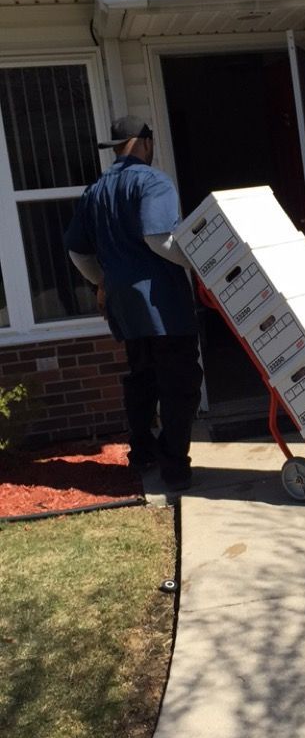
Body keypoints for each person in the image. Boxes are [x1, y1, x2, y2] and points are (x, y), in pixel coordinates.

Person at [65, 115, 202, 491]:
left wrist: (102, 281)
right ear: (144, 140)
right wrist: (204, 264)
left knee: (142, 378)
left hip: (124, 307)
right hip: (163, 304)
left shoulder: (95, 190)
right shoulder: (152, 181)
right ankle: (174, 467)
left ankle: (142, 454)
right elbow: (158, 236)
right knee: (180, 383)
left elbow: (77, 251)